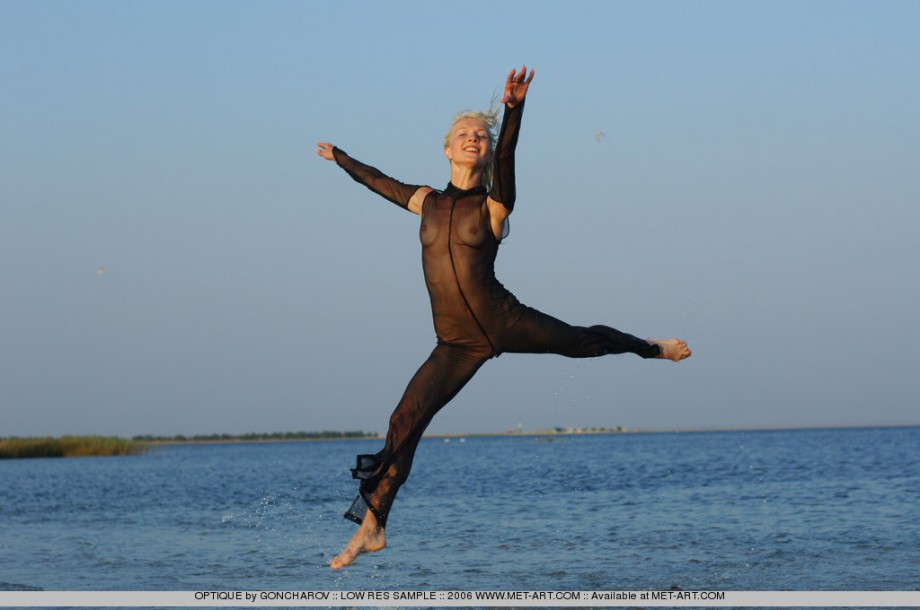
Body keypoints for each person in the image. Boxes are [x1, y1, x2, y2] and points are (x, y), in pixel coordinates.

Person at [316, 66, 690, 569]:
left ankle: (652, 347)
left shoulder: (495, 205)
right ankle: (373, 527)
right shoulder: (425, 201)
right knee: (404, 422)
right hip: (453, 344)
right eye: (463, 134)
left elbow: (510, 153)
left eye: (481, 136)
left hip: (504, 320)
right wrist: (340, 158)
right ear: (446, 149)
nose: (473, 138)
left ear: (487, 151)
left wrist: (513, 112)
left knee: (581, 341)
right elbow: (376, 181)